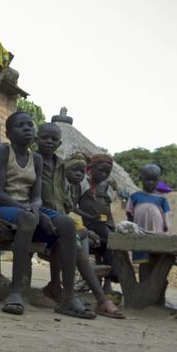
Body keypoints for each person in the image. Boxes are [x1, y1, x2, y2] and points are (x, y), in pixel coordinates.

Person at [0, 112, 94, 318]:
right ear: (8, 133)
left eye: (30, 125)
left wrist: (36, 210)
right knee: (28, 219)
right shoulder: (2, 151)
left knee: (67, 224)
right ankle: (15, 291)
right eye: (20, 125)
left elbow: (36, 197)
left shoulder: (35, 159)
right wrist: (31, 212)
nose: (27, 128)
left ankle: (68, 298)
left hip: (27, 209)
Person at [36, 126, 124, 318]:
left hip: (57, 219)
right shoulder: (32, 161)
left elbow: (63, 201)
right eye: (45, 137)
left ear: (59, 144)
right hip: (38, 216)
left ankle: (59, 287)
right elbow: (31, 195)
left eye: (54, 139)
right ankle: (90, 297)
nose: (49, 142)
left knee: (78, 233)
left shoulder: (59, 165)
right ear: (37, 139)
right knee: (72, 231)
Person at [78, 153, 121, 300]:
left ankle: (107, 284)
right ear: (91, 168)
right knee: (110, 240)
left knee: (111, 246)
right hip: (92, 224)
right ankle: (115, 275)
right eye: (100, 170)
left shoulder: (107, 186)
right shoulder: (83, 184)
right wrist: (89, 217)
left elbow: (107, 206)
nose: (103, 174)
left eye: (107, 172)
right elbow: (72, 206)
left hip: (108, 223)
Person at [126, 164, 171, 281]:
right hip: (140, 234)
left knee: (156, 260)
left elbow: (166, 213)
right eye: (147, 179)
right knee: (143, 263)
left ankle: (156, 290)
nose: (151, 182)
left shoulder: (161, 198)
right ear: (141, 179)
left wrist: (166, 225)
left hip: (157, 233)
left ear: (158, 180)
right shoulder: (135, 196)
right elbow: (129, 213)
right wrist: (130, 229)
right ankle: (143, 286)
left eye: (154, 180)